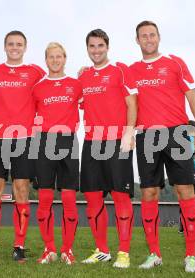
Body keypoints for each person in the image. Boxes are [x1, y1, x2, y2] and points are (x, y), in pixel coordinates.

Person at [130, 20, 195, 273]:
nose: (148, 39)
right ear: (137, 40)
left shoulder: (175, 62)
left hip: (176, 133)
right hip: (147, 136)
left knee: (185, 191)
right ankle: (154, 253)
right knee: (149, 193)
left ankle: (191, 255)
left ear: (158, 37)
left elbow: (193, 97)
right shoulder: (131, 70)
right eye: (143, 36)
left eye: (152, 35)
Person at [0, 31, 45, 262]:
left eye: (19, 44)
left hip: (25, 139)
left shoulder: (36, 72)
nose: (15, 47)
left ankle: (19, 245)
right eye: (11, 44)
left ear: (25, 47)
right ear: (4, 46)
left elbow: (47, 95)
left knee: (21, 191)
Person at [78, 29, 137, 268]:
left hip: (118, 141)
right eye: (92, 46)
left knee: (120, 195)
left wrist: (129, 132)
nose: (96, 50)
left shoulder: (120, 70)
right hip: (92, 142)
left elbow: (132, 102)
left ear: (107, 47)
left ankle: (124, 252)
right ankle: (102, 250)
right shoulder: (83, 77)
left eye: (100, 46)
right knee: (93, 198)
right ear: (87, 48)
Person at [33, 42, 82, 265]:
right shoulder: (38, 87)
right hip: (44, 142)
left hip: (68, 141)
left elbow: (92, 102)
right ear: (46, 60)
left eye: (59, 56)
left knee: (69, 197)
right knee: (45, 197)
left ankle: (67, 250)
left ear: (65, 58)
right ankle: (49, 248)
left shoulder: (76, 84)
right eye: (51, 57)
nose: (55, 60)